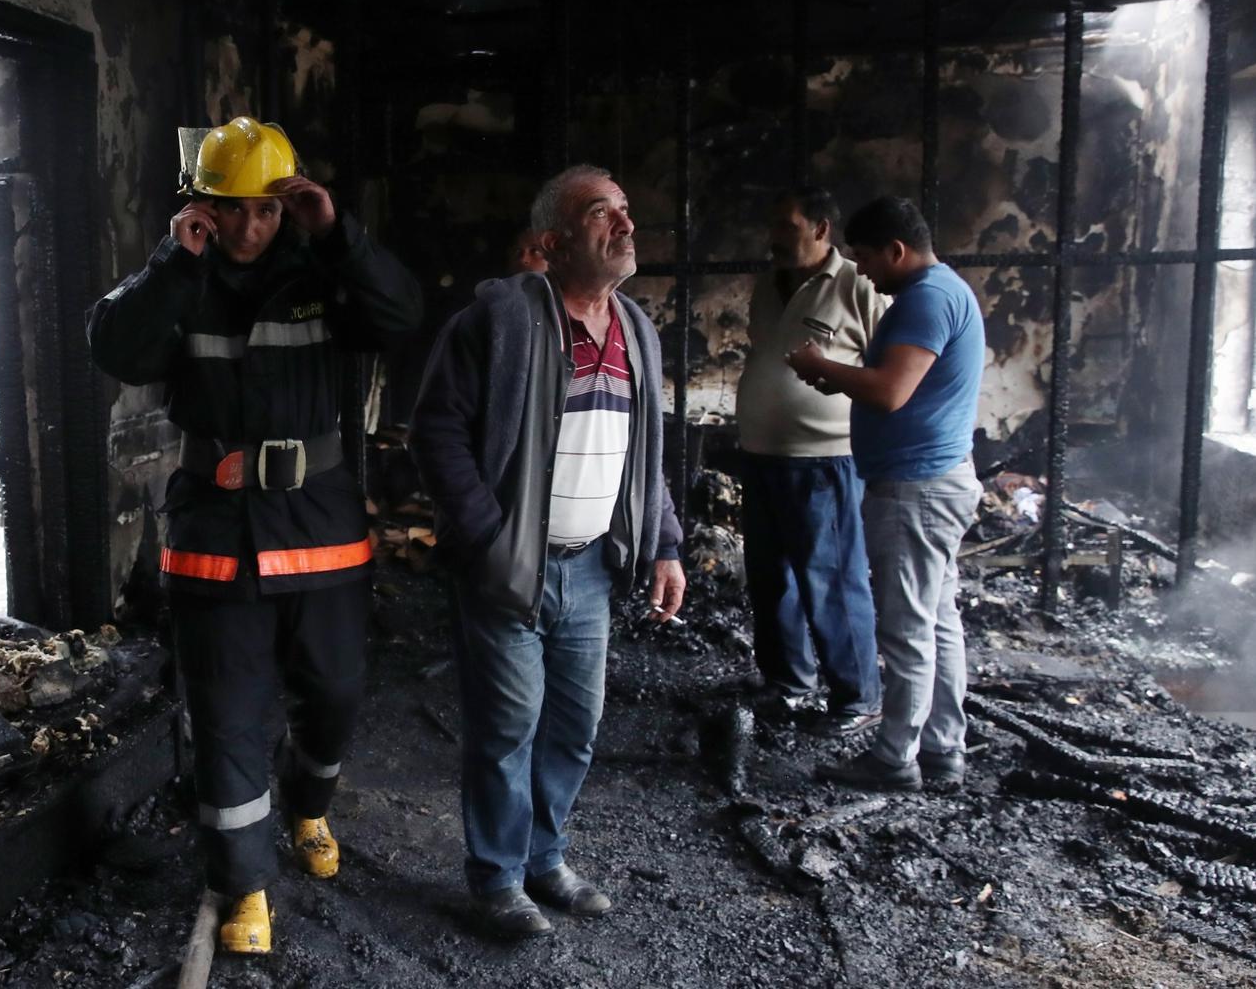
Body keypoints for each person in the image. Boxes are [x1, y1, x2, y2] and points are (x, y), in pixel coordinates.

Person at [87, 116, 422, 957]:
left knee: (335, 693)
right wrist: (172, 262)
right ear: (201, 207)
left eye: (265, 211)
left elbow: (399, 315)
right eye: (230, 210)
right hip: (215, 534)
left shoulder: (321, 271)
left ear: (288, 207)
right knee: (227, 712)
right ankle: (242, 884)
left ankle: (307, 806)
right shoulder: (180, 278)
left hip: (320, 530)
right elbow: (116, 348)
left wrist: (337, 232)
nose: (247, 228)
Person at [411, 164, 686, 937]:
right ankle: (495, 878)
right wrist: (489, 541)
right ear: (551, 241)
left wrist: (664, 544)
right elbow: (435, 432)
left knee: (572, 725)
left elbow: (645, 455)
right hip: (511, 568)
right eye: (603, 214)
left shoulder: (635, 328)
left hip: (593, 567)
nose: (625, 226)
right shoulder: (499, 322)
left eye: (626, 211)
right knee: (506, 729)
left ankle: (543, 858)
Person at [786, 196, 984, 792]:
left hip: (915, 490)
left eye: (867, 257)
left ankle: (896, 756)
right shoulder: (943, 292)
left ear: (897, 250)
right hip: (932, 481)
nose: (862, 270)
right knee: (936, 621)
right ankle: (944, 749)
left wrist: (821, 365)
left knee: (906, 630)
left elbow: (891, 391)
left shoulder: (926, 299)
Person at [736, 187, 887, 736]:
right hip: (761, 456)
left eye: (787, 224)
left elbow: (890, 370)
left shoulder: (859, 285)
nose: (774, 236)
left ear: (822, 229)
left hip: (823, 460)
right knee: (771, 577)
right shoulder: (766, 285)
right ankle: (788, 681)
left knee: (831, 579)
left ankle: (857, 696)